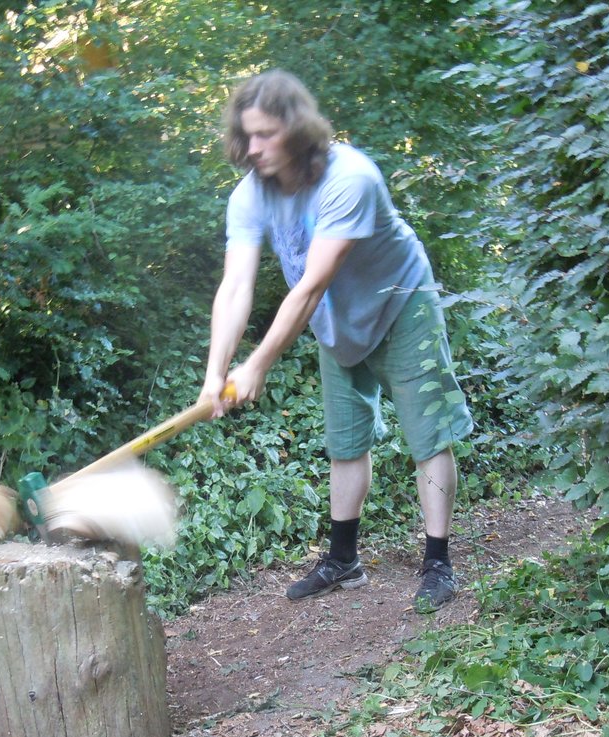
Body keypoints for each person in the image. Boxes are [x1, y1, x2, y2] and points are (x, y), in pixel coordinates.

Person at [199, 69, 474, 613]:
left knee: (427, 434)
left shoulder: (351, 179)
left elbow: (310, 285)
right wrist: (216, 371)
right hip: (335, 319)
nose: (253, 149)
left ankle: (438, 562)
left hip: (400, 303)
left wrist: (257, 364)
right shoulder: (250, 195)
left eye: (266, 134)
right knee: (344, 440)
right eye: (247, 136)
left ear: (298, 130)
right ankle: (343, 559)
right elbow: (235, 287)